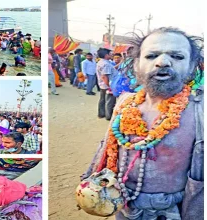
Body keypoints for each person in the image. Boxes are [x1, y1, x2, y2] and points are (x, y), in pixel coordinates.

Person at [81, 27, 204, 220]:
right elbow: (107, 148)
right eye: (152, 55)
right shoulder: (124, 103)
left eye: (177, 56)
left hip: (172, 212)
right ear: (137, 64)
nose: (162, 62)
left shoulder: (200, 110)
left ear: (192, 65)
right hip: (124, 206)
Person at [96, 48, 117, 120]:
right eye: (110, 54)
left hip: (102, 85)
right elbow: (104, 76)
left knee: (103, 100)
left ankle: (101, 114)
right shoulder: (105, 64)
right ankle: (108, 116)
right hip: (107, 85)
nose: (112, 55)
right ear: (106, 55)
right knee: (109, 101)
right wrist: (110, 86)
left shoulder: (102, 62)